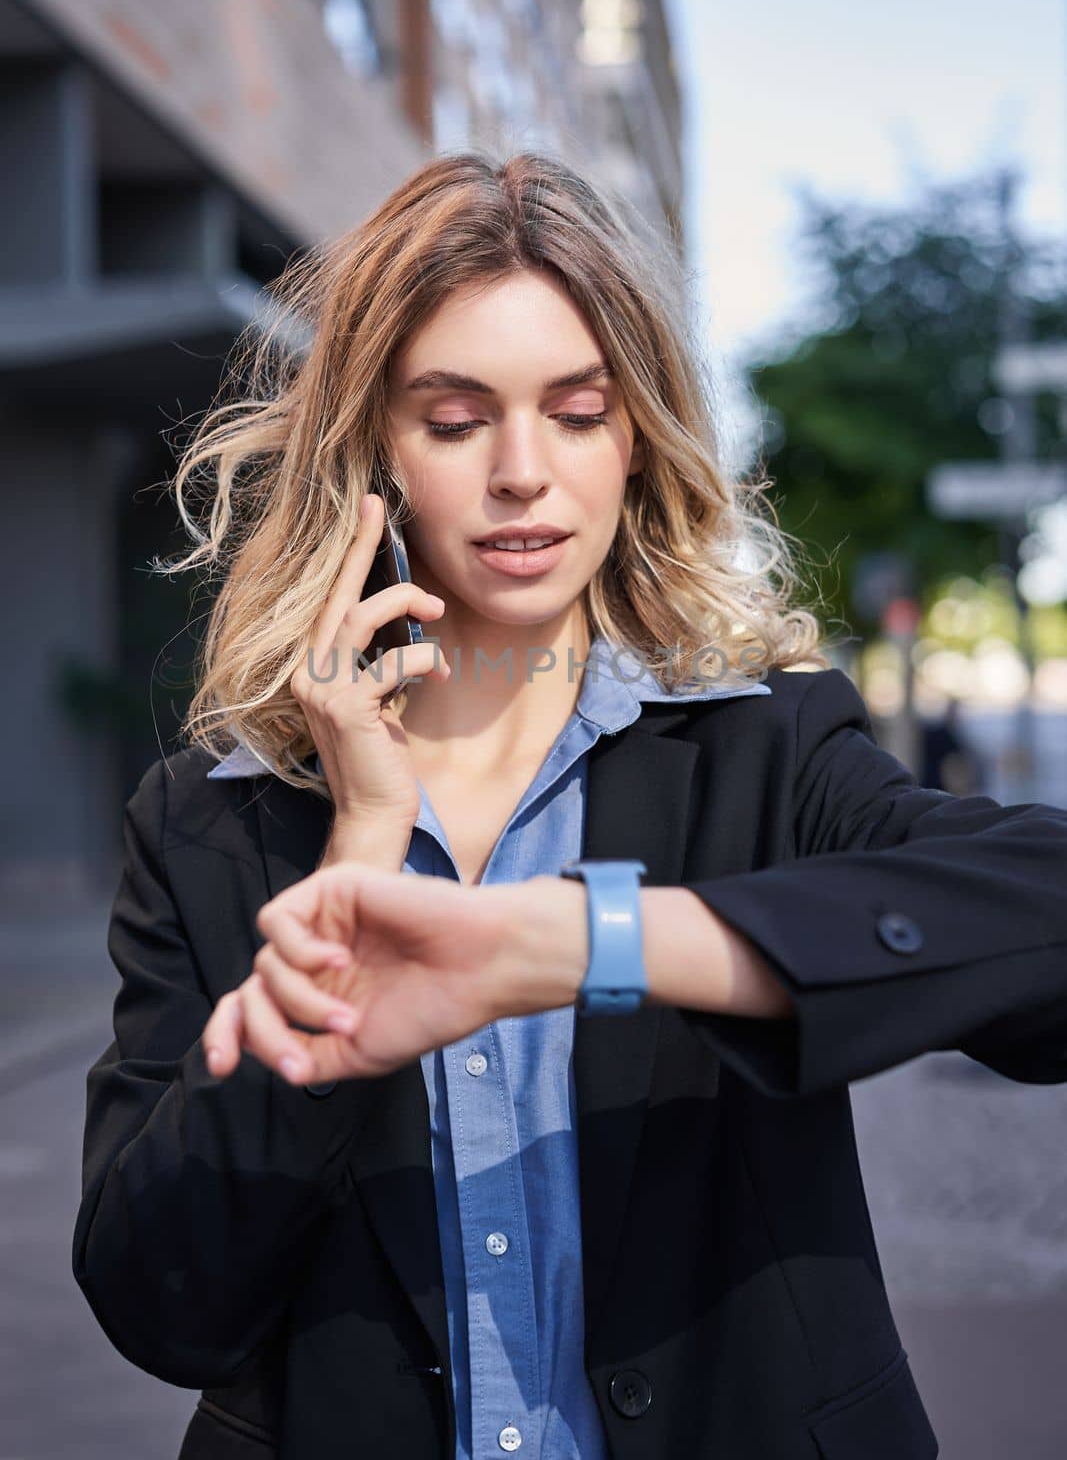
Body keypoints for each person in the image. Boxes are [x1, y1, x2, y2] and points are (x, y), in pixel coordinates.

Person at [73, 150, 1067, 1460]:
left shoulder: (765, 749)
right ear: (375, 445)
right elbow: (164, 1305)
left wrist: (582, 942)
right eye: (455, 417)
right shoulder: (207, 824)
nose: (522, 471)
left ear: (637, 433)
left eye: (579, 410)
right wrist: (360, 855)